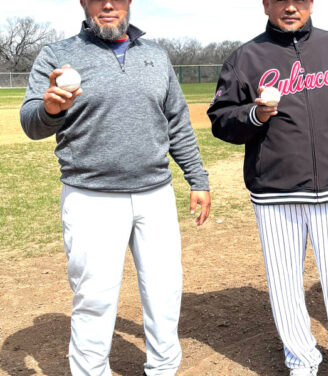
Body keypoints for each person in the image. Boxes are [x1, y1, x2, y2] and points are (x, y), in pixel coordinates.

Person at [20, 0, 211, 375]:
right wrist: (50, 110)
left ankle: (163, 368)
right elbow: (31, 122)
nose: (108, 4)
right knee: (94, 298)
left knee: (164, 292)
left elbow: (177, 122)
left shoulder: (155, 55)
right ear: (83, 3)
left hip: (154, 194)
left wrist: (197, 179)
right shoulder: (58, 55)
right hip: (91, 196)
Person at [208, 1, 328, 375]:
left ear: (311, 3)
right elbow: (220, 120)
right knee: (284, 284)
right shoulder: (245, 57)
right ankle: (301, 360)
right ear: (265, 4)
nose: (290, 7)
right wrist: (255, 114)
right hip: (274, 190)